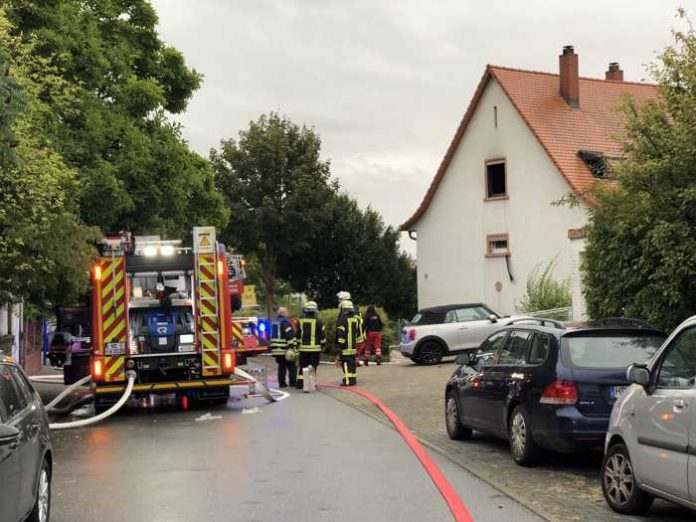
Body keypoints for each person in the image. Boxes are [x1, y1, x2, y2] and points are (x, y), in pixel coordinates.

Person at [295, 301, 326, 390]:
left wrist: (297, 344)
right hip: (315, 349)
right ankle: (311, 384)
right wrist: (323, 345)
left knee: (302, 366)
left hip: (303, 349)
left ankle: (300, 383)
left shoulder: (300, 321)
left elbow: (297, 334)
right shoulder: (319, 321)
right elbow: (322, 335)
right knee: (313, 366)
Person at [270, 307, 297, 388]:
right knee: (291, 365)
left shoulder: (274, 322)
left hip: (275, 349)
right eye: (286, 312)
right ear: (284, 313)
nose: (287, 314)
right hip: (284, 348)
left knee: (281, 366)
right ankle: (292, 382)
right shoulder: (285, 322)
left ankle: (282, 383)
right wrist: (292, 346)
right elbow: (289, 335)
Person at [336, 300, 359, 386]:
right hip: (353, 345)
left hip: (346, 346)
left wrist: (340, 345)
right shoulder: (354, 318)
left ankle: (348, 381)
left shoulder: (343, 318)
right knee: (352, 364)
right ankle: (353, 379)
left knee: (346, 363)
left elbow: (341, 332)